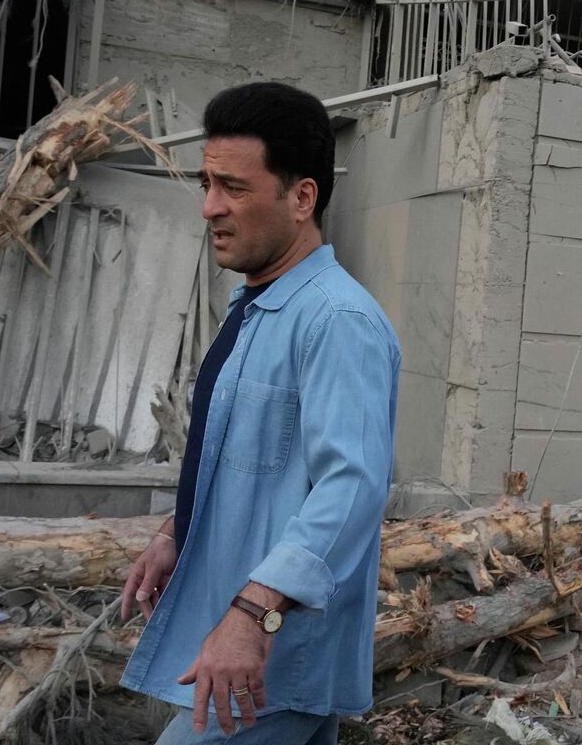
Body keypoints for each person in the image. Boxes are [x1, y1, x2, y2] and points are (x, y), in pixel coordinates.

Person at [118, 81, 401, 745]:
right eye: (206, 183)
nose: (209, 207)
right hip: (248, 654)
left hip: (269, 662)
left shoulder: (336, 320)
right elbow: (250, 459)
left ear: (302, 198)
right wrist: (174, 532)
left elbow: (352, 486)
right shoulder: (259, 308)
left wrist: (251, 615)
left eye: (234, 188)